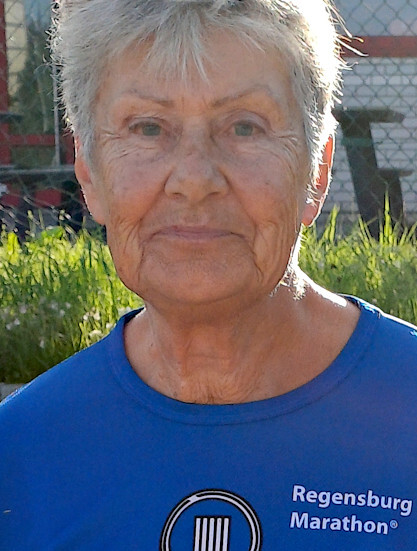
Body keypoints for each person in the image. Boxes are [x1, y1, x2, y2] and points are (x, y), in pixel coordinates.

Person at [1, 1, 417, 549]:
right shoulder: (21, 455)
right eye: (148, 128)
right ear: (89, 172)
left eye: (244, 127)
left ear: (316, 171)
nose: (195, 179)